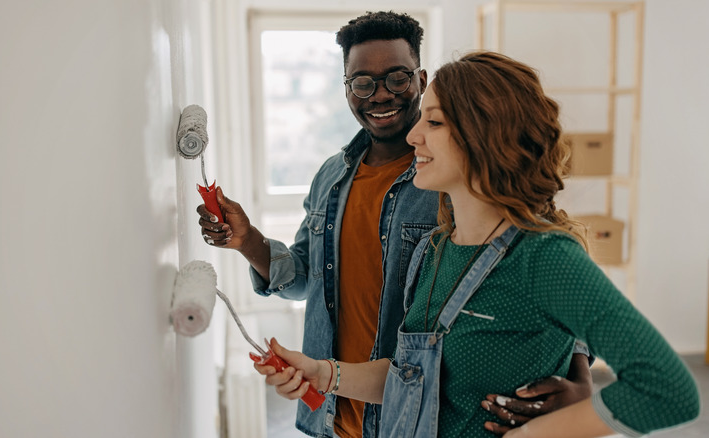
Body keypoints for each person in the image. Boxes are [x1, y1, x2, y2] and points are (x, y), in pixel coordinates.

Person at [253, 51, 701, 437]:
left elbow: (668, 390)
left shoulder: (542, 256)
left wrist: (540, 432)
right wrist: (323, 374)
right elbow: (413, 378)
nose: (413, 136)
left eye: (434, 121)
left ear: (483, 134)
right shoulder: (434, 250)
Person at [199, 11, 592, 438]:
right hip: (334, 410)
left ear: (421, 79)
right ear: (347, 88)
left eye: (398, 79)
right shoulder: (331, 176)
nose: (380, 95)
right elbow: (306, 279)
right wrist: (248, 241)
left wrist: (582, 381)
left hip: (417, 416)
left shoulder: (452, 177)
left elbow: (543, 272)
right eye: (363, 83)